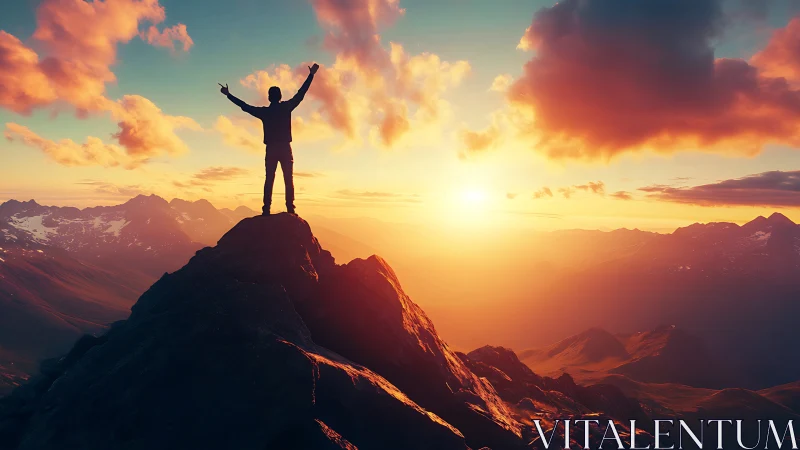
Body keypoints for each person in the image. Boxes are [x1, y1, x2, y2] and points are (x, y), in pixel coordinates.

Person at [219, 63, 319, 215]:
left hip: (271, 149)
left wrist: (228, 95)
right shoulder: (287, 107)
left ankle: (266, 210)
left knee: (269, 179)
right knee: (288, 179)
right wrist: (311, 75)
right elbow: (301, 93)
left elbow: (244, 106)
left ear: (268, 97)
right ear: (280, 96)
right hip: (285, 148)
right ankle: (290, 208)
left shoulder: (264, 112)